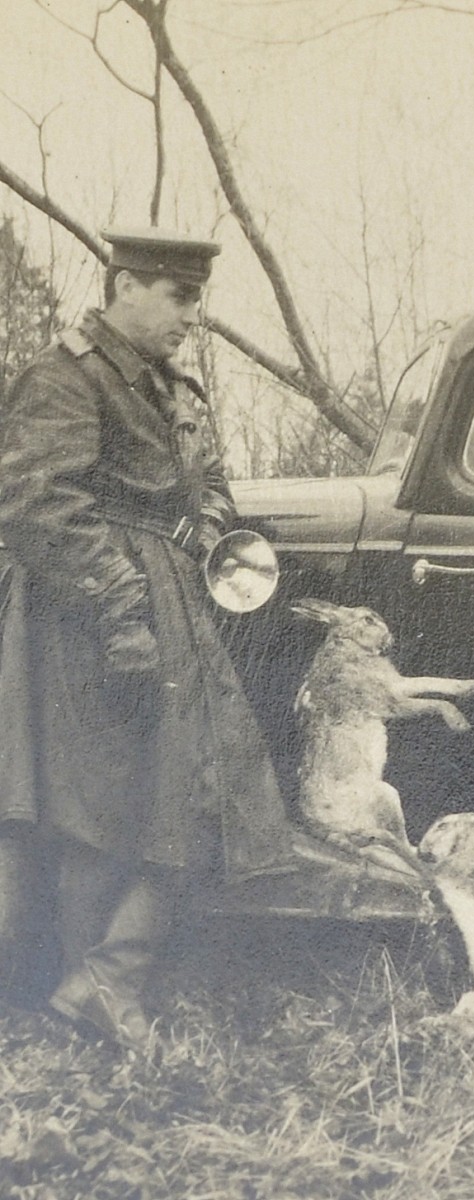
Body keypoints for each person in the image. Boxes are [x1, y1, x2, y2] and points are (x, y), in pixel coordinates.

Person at [0, 227, 300, 1054]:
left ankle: (102, 981)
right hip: (84, 614)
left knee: (198, 791)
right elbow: (38, 507)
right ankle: (84, 990)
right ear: (123, 285)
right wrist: (123, 609)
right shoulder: (63, 377)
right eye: (178, 297)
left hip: (169, 604)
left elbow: (210, 489)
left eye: (196, 299)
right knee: (95, 800)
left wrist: (196, 542)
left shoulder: (175, 386)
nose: (190, 317)